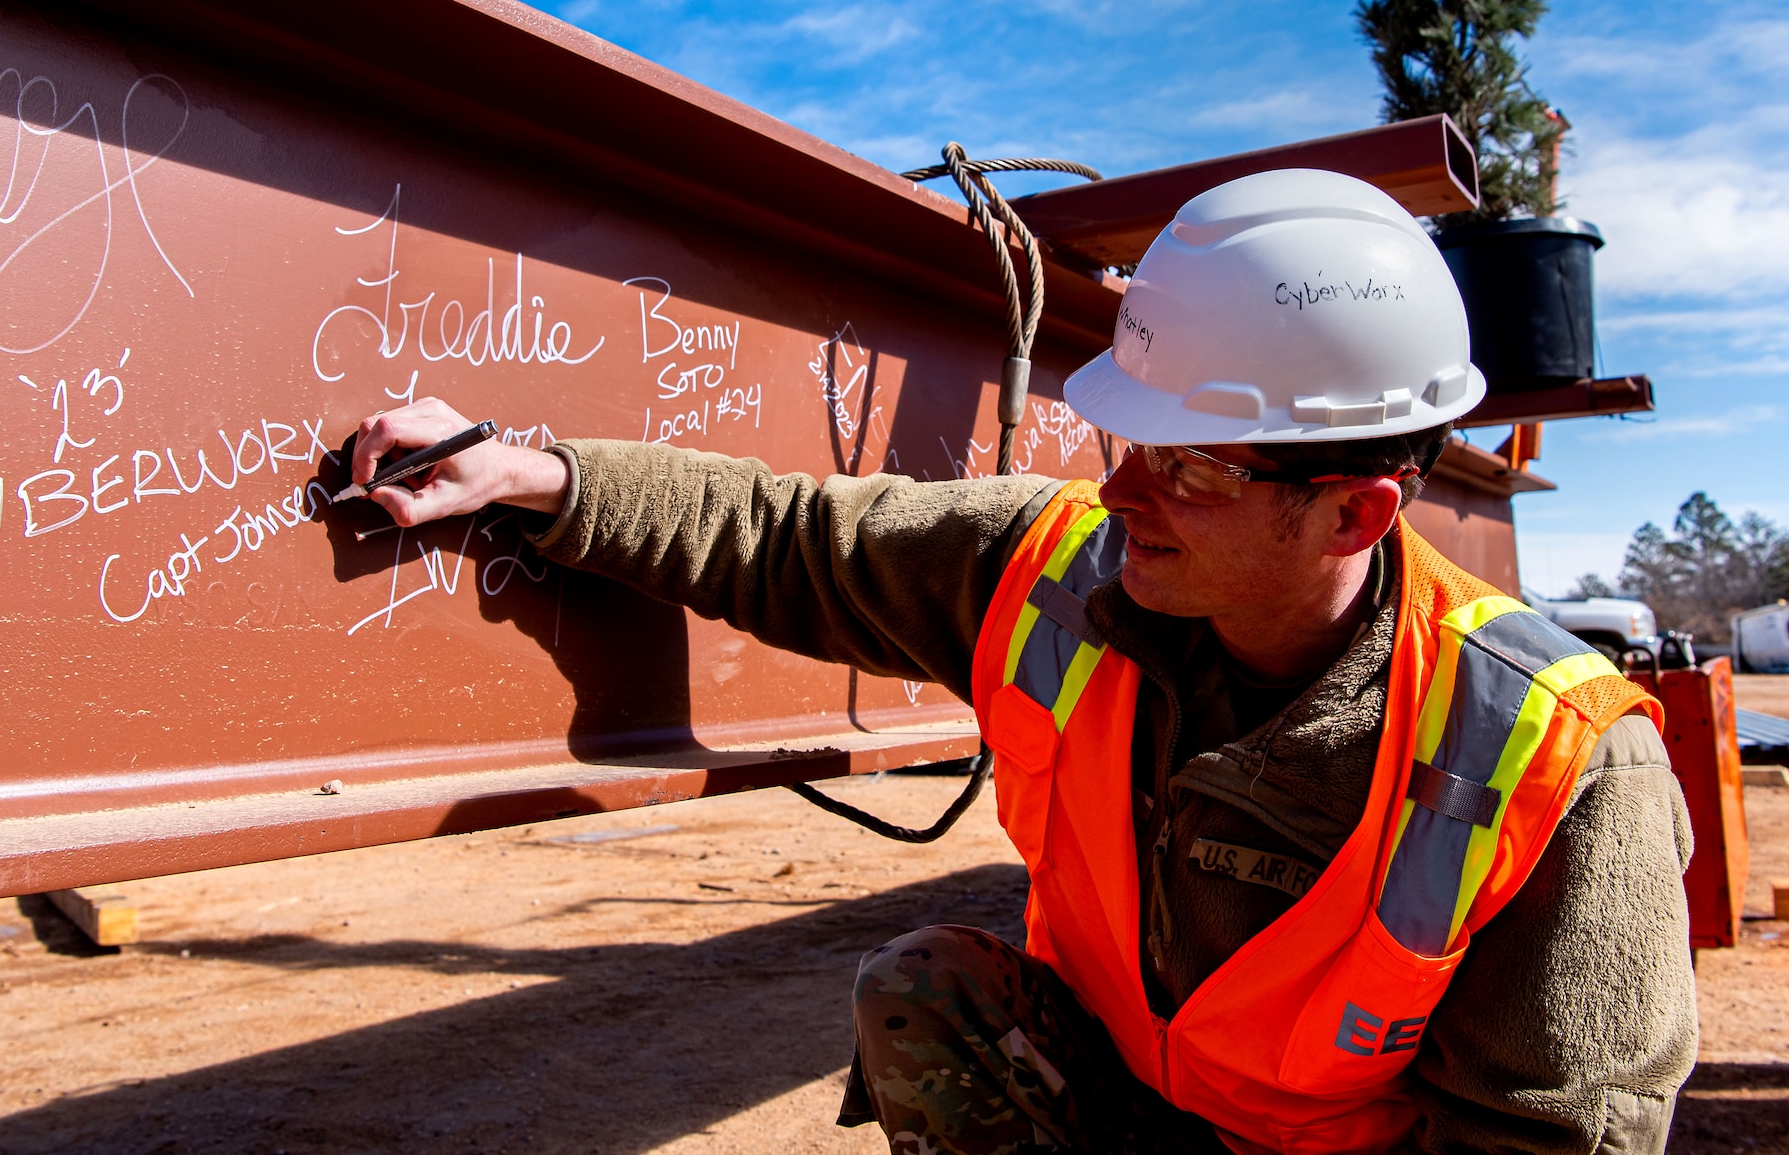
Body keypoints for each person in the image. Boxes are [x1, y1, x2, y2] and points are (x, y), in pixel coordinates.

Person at [351, 170, 1696, 1154]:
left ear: (1353, 512)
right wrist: (535, 472)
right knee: (930, 989)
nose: (1123, 496)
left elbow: (1549, 1146)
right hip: (1136, 1111)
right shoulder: (1059, 570)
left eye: (1192, 469)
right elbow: (789, 537)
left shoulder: (1559, 760)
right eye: (1126, 442)